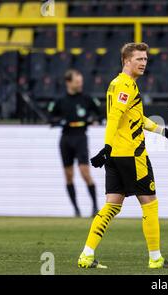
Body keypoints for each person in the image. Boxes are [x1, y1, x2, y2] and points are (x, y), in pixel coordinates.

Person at [77, 42, 168, 269]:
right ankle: (155, 258)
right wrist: (105, 147)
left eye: (145, 59)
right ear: (126, 61)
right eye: (139, 59)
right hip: (132, 155)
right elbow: (115, 117)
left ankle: (86, 255)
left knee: (112, 205)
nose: (144, 63)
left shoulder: (117, 84)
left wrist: (164, 132)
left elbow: (136, 119)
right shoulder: (126, 85)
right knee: (150, 204)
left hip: (117, 155)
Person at [47, 69, 102, 217]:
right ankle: (76, 210)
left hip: (80, 137)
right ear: (68, 82)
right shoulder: (60, 100)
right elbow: (50, 117)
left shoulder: (86, 98)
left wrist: (94, 120)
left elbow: (100, 112)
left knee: (85, 173)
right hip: (66, 139)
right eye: (77, 81)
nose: (80, 84)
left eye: (81, 81)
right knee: (68, 175)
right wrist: (59, 122)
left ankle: (95, 207)